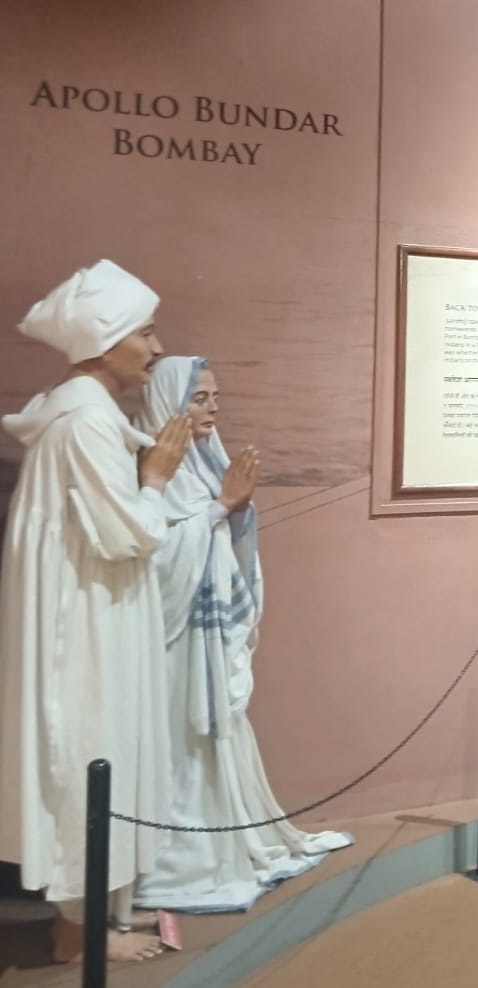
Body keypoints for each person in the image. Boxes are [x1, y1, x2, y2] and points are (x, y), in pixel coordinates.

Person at [0, 260, 190, 962]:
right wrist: (158, 479)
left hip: (96, 606)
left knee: (101, 744)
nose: (156, 348)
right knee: (88, 746)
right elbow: (126, 533)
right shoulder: (84, 421)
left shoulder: (88, 414)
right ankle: (76, 931)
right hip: (84, 620)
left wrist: (150, 463)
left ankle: (96, 914)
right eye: (146, 332)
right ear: (106, 342)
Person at [128, 357, 352, 912]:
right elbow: (150, 566)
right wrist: (220, 507)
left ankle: (223, 836)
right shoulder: (148, 475)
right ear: (168, 404)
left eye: (215, 396)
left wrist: (230, 508)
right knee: (178, 746)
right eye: (199, 398)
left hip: (204, 639)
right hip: (171, 648)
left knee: (213, 741)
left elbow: (223, 529)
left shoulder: (205, 464)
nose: (213, 408)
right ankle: (178, 860)